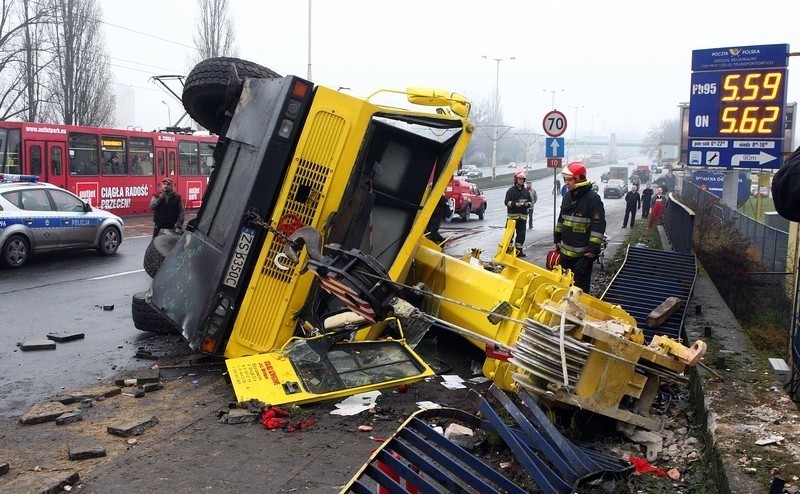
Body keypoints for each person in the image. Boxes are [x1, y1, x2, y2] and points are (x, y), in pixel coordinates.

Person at [554, 161, 606, 293]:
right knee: (563, 289)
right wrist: (557, 238)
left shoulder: (593, 199)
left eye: (569, 179)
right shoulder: (567, 197)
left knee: (579, 291)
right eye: (565, 179)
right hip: (565, 255)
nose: (566, 182)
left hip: (582, 257)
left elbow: (598, 228)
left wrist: (591, 254)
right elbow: (561, 220)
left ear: (579, 179)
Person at [504, 170, 533, 257]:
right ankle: (508, 251)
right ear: (516, 179)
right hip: (512, 218)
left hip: (522, 218)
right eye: (519, 179)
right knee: (510, 235)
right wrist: (514, 204)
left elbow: (530, 202)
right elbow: (506, 202)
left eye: (522, 179)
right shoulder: (511, 191)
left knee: (521, 235)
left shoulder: (526, 192)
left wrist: (527, 204)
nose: (521, 180)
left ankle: (518, 251)